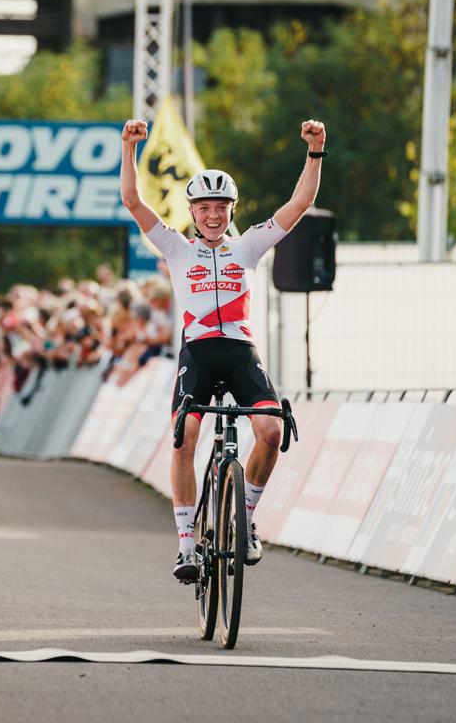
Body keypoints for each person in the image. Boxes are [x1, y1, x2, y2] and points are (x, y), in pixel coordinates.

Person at [120, 117, 327, 582]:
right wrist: (128, 147)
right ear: (192, 212)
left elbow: (301, 203)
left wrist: (315, 151)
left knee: (272, 432)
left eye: (221, 207)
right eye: (205, 208)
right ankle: (187, 545)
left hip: (240, 354)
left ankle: (246, 519)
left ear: (232, 210)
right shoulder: (175, 248)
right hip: (197, 354)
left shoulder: (249, 246)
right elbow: (132, 200)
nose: (213, 216)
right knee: (184, 440)